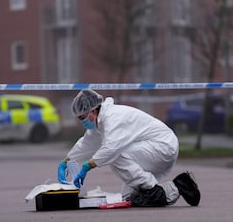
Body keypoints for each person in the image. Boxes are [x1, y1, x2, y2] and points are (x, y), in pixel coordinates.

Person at [58, 89, 200, 207]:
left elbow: (111, 148)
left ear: (93, 111)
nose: (81, 122)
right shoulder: (99, 123)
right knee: (130, 197)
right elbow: (86, 143)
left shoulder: (112, 117)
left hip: (162, 147)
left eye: (82, 117)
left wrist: (88, 165)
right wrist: (66, 161)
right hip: (153, 149)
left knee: (115, 154)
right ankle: (171, 187)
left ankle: (156, 188)